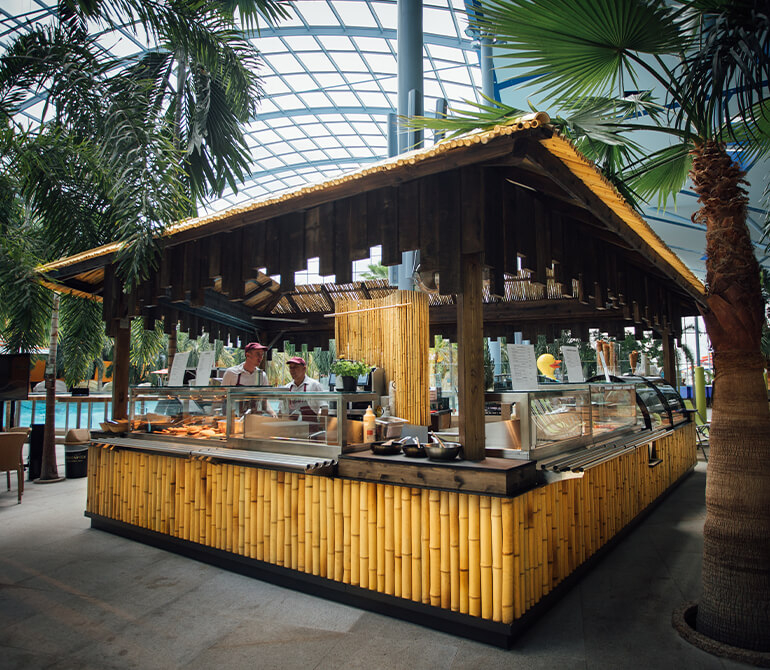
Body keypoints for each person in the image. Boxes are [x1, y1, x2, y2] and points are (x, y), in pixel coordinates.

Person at [222, 342, 274, 416]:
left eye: (262, 355)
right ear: (247, 355)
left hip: (254, 418)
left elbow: (264, 401)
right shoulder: (231, 373)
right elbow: (222, 397)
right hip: (234, 418)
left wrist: (272, 413)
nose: (260, 357)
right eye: (257, 354)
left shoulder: (262, 375)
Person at [283, 356, 327, 423]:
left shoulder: (314, 385)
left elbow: (324, 408)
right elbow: (281, 410)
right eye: (290, 368)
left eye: (296, 367)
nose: (292, 370)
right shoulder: (287, 387)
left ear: (304, 369)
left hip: (311, 427)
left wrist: (322, 426)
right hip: (291, 427)